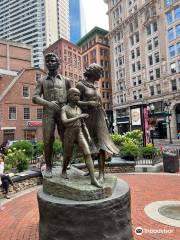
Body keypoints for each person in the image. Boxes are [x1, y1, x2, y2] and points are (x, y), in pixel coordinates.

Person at [76, 63, 119, 181]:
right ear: (93, 72)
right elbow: (74, 102)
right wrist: (88, 104)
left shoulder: (95, 87)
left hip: (99, 117)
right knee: (89, 145)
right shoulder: (80, 85)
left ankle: (101, 174)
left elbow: (100, 105)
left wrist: (106, 117)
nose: (101, 75)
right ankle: (91, 171)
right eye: (99, 73)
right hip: (87, 118)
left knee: (101, 145)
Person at [32, 53, 71, 178]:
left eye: (52, 61)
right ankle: (48, 166)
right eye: (47, 61)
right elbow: (35, 98)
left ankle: (66, 165)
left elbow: (71, 97)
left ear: (58, 63)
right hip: (48, 113)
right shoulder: (42, 80)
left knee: (66, 139)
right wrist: (48, 103)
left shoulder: (66, 80)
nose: (49, 63)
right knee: (48, 140)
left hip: (63, 111)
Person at [61, 88, 101, 188]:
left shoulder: (79, 109)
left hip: (79, 132)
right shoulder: (64, 108)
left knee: (87, 153)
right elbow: (64, 121)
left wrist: (87, 135)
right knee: (68, 155)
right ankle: (64, 170)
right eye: (75, 95)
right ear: (69, 96)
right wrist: (79, 117)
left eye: (78, 95)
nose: (77, 97)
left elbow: (83, 124)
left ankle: (93, 179)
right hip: (69, 133)